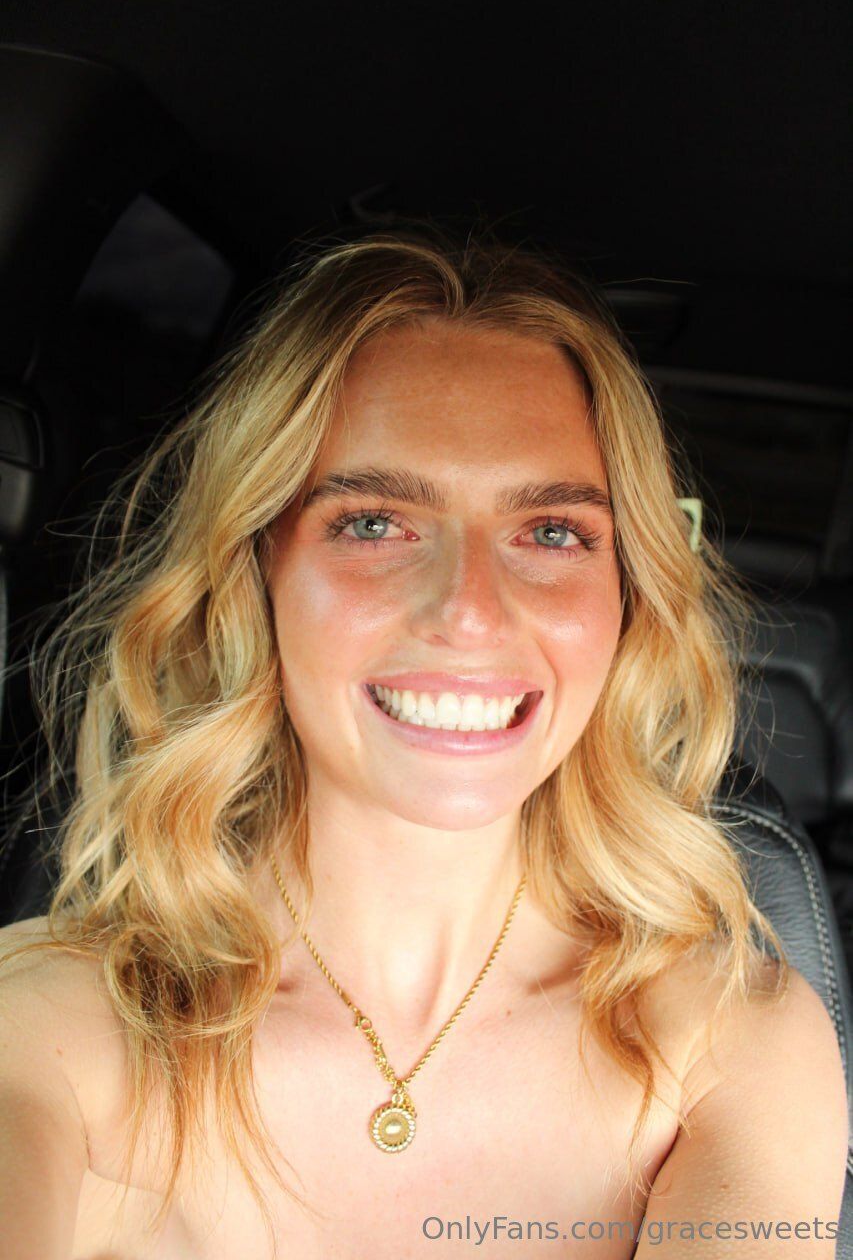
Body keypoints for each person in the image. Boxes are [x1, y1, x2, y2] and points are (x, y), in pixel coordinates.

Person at [0, 226, 847, 1259]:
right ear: (255, 570)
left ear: (626, 597)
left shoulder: (734, 1045)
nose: (469, 612)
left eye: (552, 532)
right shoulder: (46, 1030)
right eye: (374, 523)